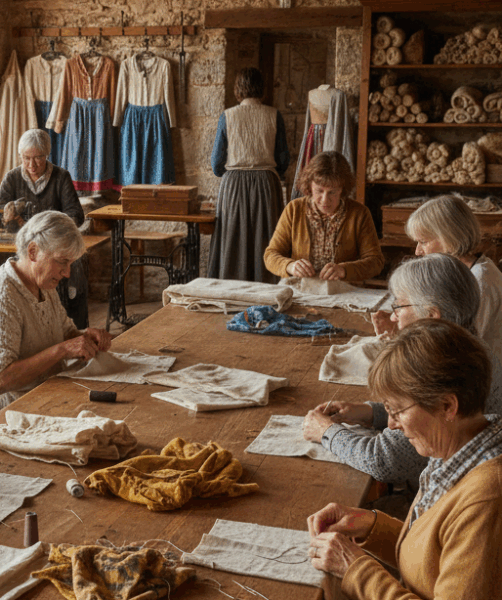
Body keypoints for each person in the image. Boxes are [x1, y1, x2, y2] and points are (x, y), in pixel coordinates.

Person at [306, 319, 502, 600]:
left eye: (397, 410)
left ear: (447, 406)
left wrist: (355, 569)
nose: (391, 424)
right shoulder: (458, 449)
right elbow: (437, 560)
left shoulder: (487, 500)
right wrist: (371, 525)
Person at [303, 253, 502, 493]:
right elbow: (425, 407)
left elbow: (386, 460)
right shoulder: (470, 346)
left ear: (431, 315)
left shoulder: (439, 363)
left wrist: (326, 432)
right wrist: (371, 412)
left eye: (399, 306)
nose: (393, 316)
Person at [0, 211, 112, 442]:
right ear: (33, 252)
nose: (67, 273)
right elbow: (0, 380)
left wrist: (84, 337)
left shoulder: (43, 286)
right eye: (62, 261)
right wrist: (62, 350)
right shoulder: (1, 298)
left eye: (70, 263)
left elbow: (64, 332)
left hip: (30, 405)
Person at [0, 129, 89, 328]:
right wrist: (6, 215)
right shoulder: (12, 178)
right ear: (20, 156)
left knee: (72, 271)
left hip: (54, 246)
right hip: (21, 247)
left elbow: (76, 214)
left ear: (47, 155)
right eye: (26, 158)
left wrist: (53, 229)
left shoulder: (61, 177)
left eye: (38, 158)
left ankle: (76, 327)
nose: (32, 164)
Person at [208, 67, 290, 283]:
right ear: (262, 88)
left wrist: (232, 173)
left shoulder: (227, 116)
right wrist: (270, 171)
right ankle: (267, 286)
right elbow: (283, 159)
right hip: (266, 183)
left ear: (237, 89)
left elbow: (216, 163)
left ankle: (231, 286)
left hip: (234, 184)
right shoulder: (274, 115)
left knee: (233, 238)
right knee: (267, 238)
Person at [405, 194, 502, 358]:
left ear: (449, 238)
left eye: (423, 242)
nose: (417, 251)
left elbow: (461, 348)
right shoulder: (459, 272)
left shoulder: (480, 280)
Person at [264, 151, 384, 282]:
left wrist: (344, 270)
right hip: (300, 288)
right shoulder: (294, 209)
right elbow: (270, 255)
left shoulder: (359, 213)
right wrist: (290, 266)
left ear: (342, 189)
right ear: (310, 186)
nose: (325, 200)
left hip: (344, 290)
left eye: (332, 192)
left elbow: (376, 262)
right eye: (319, 191)